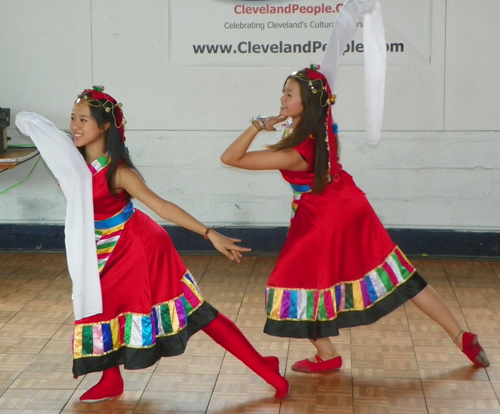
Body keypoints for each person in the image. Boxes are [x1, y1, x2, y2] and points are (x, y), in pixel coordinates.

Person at [15, 86, 289, 402]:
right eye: (73, 118)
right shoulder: (72, 161)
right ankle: (111, 380)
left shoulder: (118, 171)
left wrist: (208, 233)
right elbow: (27, 121)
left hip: (138, 246)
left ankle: (266, 370)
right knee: (101, 309)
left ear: (105, 127)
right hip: (101, 247)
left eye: (84, 120)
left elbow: (161, 206)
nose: (75, 126)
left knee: (195, 311)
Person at [220, 66, 490, 373]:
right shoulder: (321, 128)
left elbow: (231, 158)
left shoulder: (297, 151)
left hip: (324, 217)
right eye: (283, 91)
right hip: (349, 202)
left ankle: (327, 355)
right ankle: (460, 335)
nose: (281, 98)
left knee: (293, 283)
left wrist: (258, 125)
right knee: (398, 272)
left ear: (307, 104)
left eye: (289, 94)